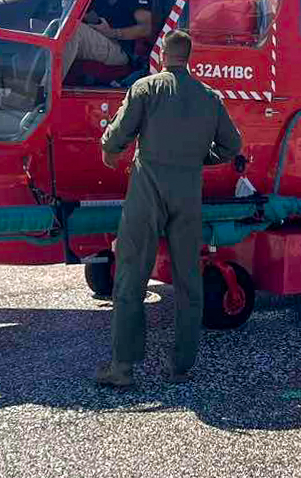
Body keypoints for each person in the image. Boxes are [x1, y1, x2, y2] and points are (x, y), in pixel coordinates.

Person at [94, 29, 244, 387]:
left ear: (163, 54)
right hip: (189, 191)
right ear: (189, 58)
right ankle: (180, 366)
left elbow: (117, 136)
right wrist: (198, 159)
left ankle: (123, 367)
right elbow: (232, 145)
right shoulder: (210, 97)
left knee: (132, 276)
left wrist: (109, 152)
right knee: (188, 279)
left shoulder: (146, 88)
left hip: (148, 188)